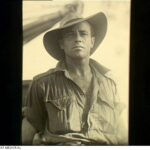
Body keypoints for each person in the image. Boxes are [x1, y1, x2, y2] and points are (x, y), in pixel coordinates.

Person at [22, 10, 128, 145]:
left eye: (83, 33)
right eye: (70, 35)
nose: (78, 39)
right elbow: (27, 131)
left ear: (92, 41)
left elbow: (121, 134)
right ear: (61, 44)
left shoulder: (110, 84)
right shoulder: (42, 84)